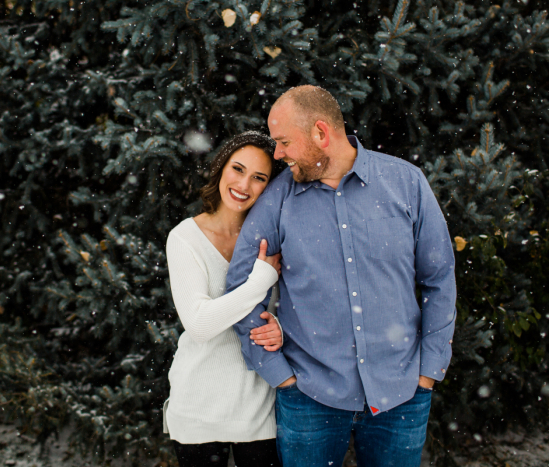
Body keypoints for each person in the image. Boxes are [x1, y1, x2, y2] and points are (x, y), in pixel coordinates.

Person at [225, 86, 457, 467]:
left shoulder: (406, 183)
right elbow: (239, 284)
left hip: (401, 395)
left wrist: (428, 372)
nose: (277, 154)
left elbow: (439, 278)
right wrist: (279, 375)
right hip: (309, 398)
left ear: (320, 133)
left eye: (284, 142)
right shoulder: (278, 198)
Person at [164, 131, 285, 467]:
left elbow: (299, 309)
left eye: (259, 177)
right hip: (199, 408)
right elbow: (200, 324)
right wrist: (259, 281)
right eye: (238, 169)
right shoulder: (185, 238)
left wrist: (280, 330)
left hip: (260, 407)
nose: (244, 185)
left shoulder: (274, 238)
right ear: (221, 168)